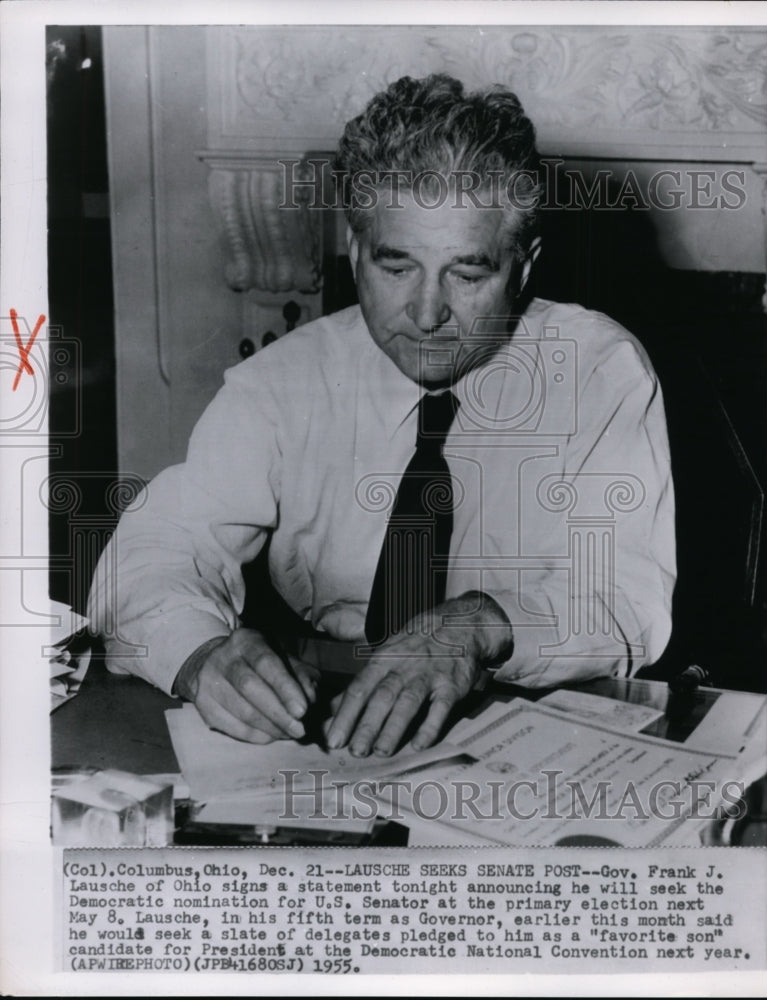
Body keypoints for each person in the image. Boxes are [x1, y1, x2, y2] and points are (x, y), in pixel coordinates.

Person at [90, 74, 675, 757]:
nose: (426, 315)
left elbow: (626, 604)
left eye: (466, 273)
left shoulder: (598, 372)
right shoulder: (284, 382)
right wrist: (196, 652)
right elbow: (152, 551)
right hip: (325, 728)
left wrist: (475, 627)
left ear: (523, 267)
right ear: (355, 248)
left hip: (529, 728)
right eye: (396, 267)